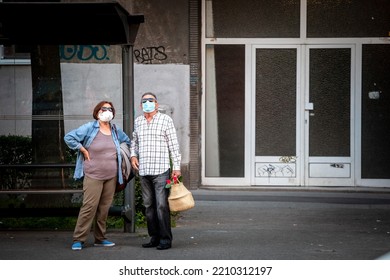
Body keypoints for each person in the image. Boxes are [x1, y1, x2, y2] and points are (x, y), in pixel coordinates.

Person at [64, 101, 130, 251]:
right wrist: (82, 149)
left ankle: (100, 238)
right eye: (104, 108)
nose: (107, 111)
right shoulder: (89, 127)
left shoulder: (114, 129)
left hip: (112, 175)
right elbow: (69, 137)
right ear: (97, 112)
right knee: (89, 207)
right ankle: (78, 239)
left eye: (110, 109)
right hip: (93, 174)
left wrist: (121, 152)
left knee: (104, 208)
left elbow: (127, 141)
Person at [130, 92, 181, 250]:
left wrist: (177, 167)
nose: (147, 103)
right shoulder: (138, 121)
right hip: (144, 171)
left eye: (150, 100)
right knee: (149, 207)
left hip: (161, 170)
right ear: (141, 105)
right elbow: (134, 142)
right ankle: (154, 237)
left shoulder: (165, 120)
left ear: (156, 104)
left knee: (161, 206)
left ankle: (165, 239)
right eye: (144, 101)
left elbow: (173, 144)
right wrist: (133, 156)